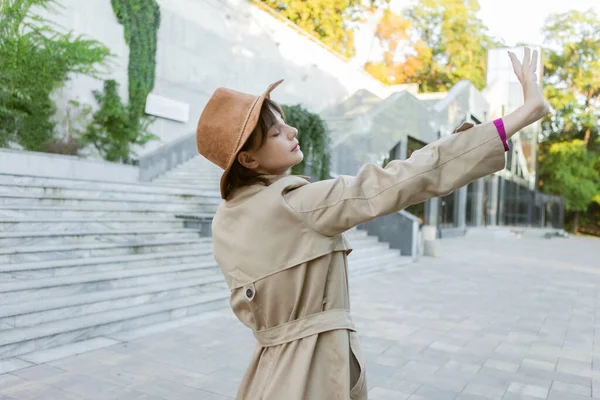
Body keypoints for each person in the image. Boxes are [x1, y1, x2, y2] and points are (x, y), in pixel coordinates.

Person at [195, 48, 550, 400]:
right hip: (314, 373)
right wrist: (523, 113)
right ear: (248, 158)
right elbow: (403, 178)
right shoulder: (297, 204)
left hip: (268, 375)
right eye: (275, 132)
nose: (291, 129)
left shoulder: (226, 221)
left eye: (284, 120)